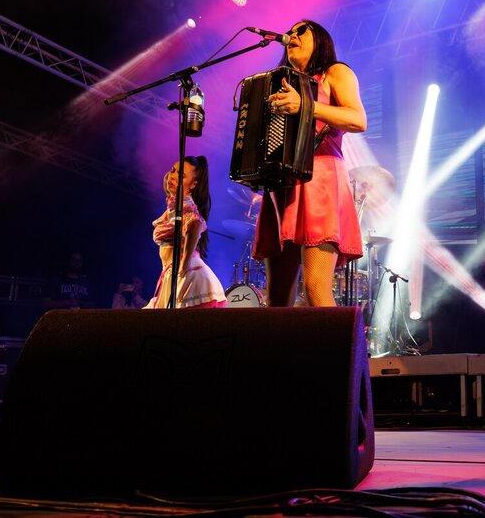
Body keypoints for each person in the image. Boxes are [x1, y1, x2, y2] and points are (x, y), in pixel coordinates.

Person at [252, 20, 366, 307]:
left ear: (321, 39)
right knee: (277, 298)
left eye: (301, 30)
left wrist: (307, 105)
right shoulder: (279, 83)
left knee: (315, 288)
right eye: (290, 32)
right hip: (282, 186)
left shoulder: (335, 72)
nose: (292, 35)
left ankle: (337, 339)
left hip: (320, 180)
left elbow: (358, 119)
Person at [145, 156, 226, 309]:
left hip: (186, 274)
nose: (172, 176)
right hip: (172, 272)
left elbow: (195, 224)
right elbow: (167, 181)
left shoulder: (185, 204)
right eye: (172, 170)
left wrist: (184, 265)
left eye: (181, 175)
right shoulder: (175, 204)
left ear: (193, 184)